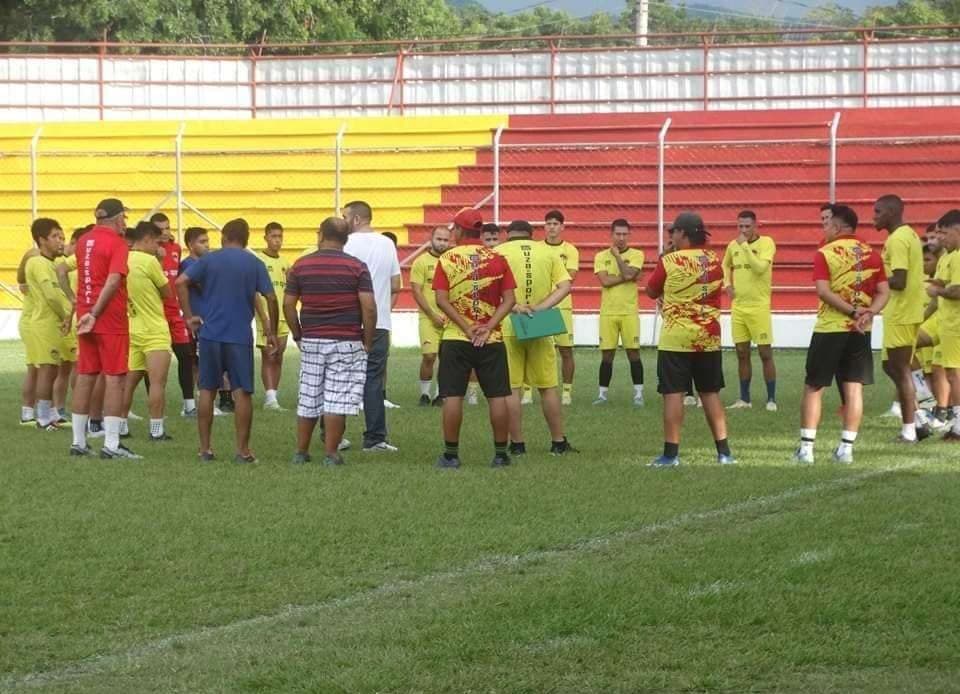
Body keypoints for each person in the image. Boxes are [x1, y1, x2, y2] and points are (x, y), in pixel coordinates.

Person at [175, 218, 278, 463]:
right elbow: (271, 297)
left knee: (207, 390)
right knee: (242, 392)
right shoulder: (254, 262)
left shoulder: (209, 260)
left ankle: (205, 449)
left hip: (210, 334)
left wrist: (189, 317)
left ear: (224, 236)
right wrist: (271, 329)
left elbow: (180, 282)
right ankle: (243, 450)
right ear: (246, 238)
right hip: (239, 337)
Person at [793, 205, 889, 464]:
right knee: (854, 388)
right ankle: (846, 449)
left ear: (837, 227)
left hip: (831, 327)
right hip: (860, 331)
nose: (824, 228)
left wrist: (853, 311)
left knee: (814, 386)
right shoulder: (873, 254)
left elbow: (823, 291)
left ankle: (806, 449)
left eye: (827, 224)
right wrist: (869, 313)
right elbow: (884, 292)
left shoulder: (826, 252)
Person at [285, 217, 377, 465]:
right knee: (338, 397)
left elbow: (288, 305)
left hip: (312, 339)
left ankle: (301, 452)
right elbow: (368, 308)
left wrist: (298, 334)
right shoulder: (357, 266)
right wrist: (367, 341)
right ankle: (331, 453)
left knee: (309, 395)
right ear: (345, 239)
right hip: (346, 340)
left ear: (320, 234)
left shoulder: (300, 265)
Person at [646, 212, 734, 467]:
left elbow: (651, 291)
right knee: (710, 393)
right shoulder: (715, 259)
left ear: (683, 233)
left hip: (676, 337)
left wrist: (665, 258)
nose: (671, 235)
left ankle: (671, 454)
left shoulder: (671, 260)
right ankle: (724, 452)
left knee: (673, 393)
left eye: (673, 231)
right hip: (708, 335)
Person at [433, 213, 517, 469]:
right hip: (491, 339)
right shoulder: (497, 258)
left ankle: (451, 455)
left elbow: (441, 299)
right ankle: (501, 454)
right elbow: (510, 300)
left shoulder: (447, 258)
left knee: (453, 396)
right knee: (497, 396)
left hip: (456, 337)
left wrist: (467, 327)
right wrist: (488, 326)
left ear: (459, 229)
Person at [497, 220, 575, 455]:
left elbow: (489, 292)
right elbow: (565, 286)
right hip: (538, 324)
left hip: (508, 323)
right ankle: (558, 442)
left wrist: (514, 307)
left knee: (511, 388)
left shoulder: (498, 252)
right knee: (548, 386)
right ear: (531, 235)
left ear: (507, 234)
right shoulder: (546, 251)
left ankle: (518, 444)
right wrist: (540, 308)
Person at [70, 198, 138, 459]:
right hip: (108, 317)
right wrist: (97, 312)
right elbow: (112, 280)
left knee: (86, 375)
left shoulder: (84, 240)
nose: (125, 223)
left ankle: (78, 441)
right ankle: (111, 444)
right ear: (118, 218)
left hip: (84, 312)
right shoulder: (118, 243)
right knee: (114, 378)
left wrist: (87, 312)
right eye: (124, 217)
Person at [342, 200, 401, 452]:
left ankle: (333, 433)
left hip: (347, 318)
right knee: (373, 378)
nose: (342, 222)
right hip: (378, 321)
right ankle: (375, 437)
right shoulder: (387, 243)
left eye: (345, 217)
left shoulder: (345, 244)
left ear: (355, 220)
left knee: (340, 375)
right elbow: (396, 283)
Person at [874, 194, 929, 442]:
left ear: (892, 212)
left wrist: (872, 282)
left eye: (878, 212)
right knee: (890, 365)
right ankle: (920, 419)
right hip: (903, 310)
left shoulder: (897, 239)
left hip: (902, 312)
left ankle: (909, 431)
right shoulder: (908, 235)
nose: (873, 217)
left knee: (901, 368)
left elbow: (899, 279)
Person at [121, 221, 173, 441]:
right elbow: (167, 291)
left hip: (132, 327)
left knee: (128, 382)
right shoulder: (149, 261)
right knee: (157, 382)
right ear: (147, 239)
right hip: (154, 330)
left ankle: (121, 425)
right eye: (156, 242)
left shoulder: (123, 258)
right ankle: (156, 429)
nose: (159, 247)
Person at [722, 210, 778, 411]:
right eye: (740, 226)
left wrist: (745, 246)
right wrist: (727, 283)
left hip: (759, 307)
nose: (743, 230)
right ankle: (744, 398)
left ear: (756, 226)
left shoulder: (767, 243)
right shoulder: (732, 246)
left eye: (747, 226)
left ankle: (771, 398)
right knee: (741, 352)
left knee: (765, 353)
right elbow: (725, 264)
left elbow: (760, 268)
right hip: (739, 307)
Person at [23, 219, 72, 430]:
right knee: (46, 370)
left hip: (52, 324)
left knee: (53, 370)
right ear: (41, 240)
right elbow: (51, 296)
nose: (60, 242)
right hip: (44, 324)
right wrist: (65, 316)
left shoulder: (52, 263)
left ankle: (49, 415)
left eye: (62, 237)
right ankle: (42, 418)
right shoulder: (37, 263)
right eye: (55, 237)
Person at [148, 212, 196, 417]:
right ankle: (155, 407)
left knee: (186, 355)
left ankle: (189, 404)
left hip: (174, 311)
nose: (166, 232)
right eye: (160, 230)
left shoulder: (175, 249)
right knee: (152, 362)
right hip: (154, 312)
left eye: (168, 228)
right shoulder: (146, 253)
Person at [593, 218, 645, 406]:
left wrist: (617, 258)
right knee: (607, 355)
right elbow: (605, 282)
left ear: (629, 235)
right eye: (618, 234)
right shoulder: (600, 256)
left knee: (634, 353)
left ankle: (638, 394)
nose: (621, 238)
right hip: (608, 312)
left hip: (629, 311)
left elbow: (629, 275)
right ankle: (602, 395)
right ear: (611, 234)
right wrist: (629, 276)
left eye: (624, 234)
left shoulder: (638, 254)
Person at [927, 209, 960, 441]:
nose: (940, 238)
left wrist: (937, 289)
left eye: (944, 233)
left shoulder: (958, 257)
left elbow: (957, 290)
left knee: (955, 374)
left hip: (956, 324)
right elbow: (939, 282)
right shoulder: (948, 256)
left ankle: (957, 425)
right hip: (946, 322)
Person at [409, 226, 451, 406]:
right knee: (429, 356)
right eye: (439, 239)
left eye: (445, 240)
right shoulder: (421, 262)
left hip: (450, 318)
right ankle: (425, 394)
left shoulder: (452, 261)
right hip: (428, 317)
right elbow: (417, 291)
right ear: (431, 239)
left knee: (447, 358)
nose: (442, 243)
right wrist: (432, 314)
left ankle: (440, 394)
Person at [542, 209, 579, 406]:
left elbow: (570, 277)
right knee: (538, 349)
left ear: (562, 227)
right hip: (542, 307)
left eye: (555, 224)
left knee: (565, 351)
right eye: (548, 223)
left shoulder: (570, 250)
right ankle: (529, 391)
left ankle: (566, 392)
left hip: (562, 307)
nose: (552, 227)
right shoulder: (538, 248)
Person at [255, 221, 291, 410]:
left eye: (280, 237)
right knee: (269, 355)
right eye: (273, 236)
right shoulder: (259, 261)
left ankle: (273, 396)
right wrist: (263, 316)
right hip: (266, 315)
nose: (277, 240)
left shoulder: (285, 262)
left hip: (283, 315)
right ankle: (269, 397)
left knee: (279, 355)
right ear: (266, 238)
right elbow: (255, 293)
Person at [17, 245, 40, 426]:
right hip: (33, 323)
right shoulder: (36, 259)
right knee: (37, 370)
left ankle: (33, 412)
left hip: (32, 322)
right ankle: (28, 413)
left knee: (39, 369)